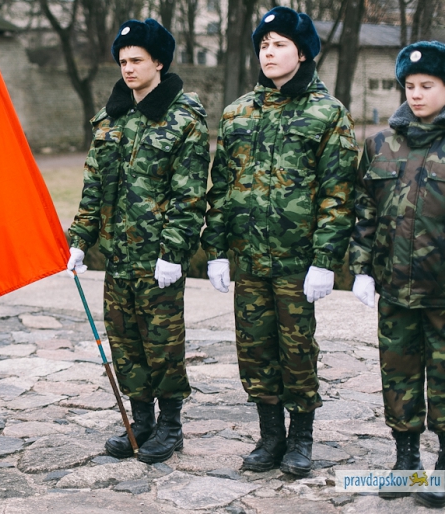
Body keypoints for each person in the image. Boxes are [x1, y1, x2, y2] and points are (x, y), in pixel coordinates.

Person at [201, 6, 358, 477]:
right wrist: (216, 250)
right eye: (264, 46)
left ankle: (301, 438)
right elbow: (221, 187)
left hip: (297, 262)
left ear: (303, 52)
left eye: (280, 45)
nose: (269, 53)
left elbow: (338, 193)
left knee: (296, 350)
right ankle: (270, 437)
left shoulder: (327, 113)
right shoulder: (238, 113)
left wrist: (326, 259)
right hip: (248, 259)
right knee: (254, 350)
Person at [66, 18, 210, 464]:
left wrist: (174, 252)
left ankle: (170, 426)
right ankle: (142, 420)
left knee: (163, 343)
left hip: (158, 257)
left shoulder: (184, 119)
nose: (128, 68)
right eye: (123, 61)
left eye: (137, 60)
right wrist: (80, 239)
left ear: (159, 63)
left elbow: (189, 195)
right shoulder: (110, 118)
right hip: (118, 256)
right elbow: (94, 187)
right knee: (125, 342)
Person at [350, 41, 445, 508]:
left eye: (428, 85)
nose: (417, 94)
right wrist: (361, 269)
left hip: (443, 291)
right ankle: (406, 460)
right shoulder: (380, 145)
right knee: (398, 374)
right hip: (394, 289)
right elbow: (364, 211)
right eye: (410, 86)